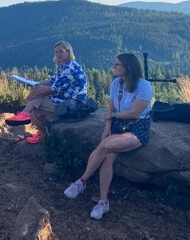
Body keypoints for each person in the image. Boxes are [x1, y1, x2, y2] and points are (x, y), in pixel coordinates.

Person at [63, 53, 153, 220]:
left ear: (128, 67)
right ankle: (103, 202)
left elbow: (135, 113)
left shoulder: (144, 86)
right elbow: (109, 108)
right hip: (118, 125)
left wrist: (114, 116)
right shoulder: (115, 84)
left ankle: (82, 181)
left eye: (117, 64)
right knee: (108, 156)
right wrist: (107, 126)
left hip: (137, 128)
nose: (114, 67)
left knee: (104, 146)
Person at [5, 41, 88, 144]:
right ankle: (39, 128)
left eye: (61, 51)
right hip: (64, 99)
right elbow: (52, 81)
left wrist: (35, 92)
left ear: (69, 52)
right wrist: (35, 83)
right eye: (56, 52)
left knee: (37, 102)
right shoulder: (63, 66)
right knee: (36, 103)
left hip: (72, 104)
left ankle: (31, 121)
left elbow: (52, 89)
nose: (58, 54)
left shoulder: (70, 68)